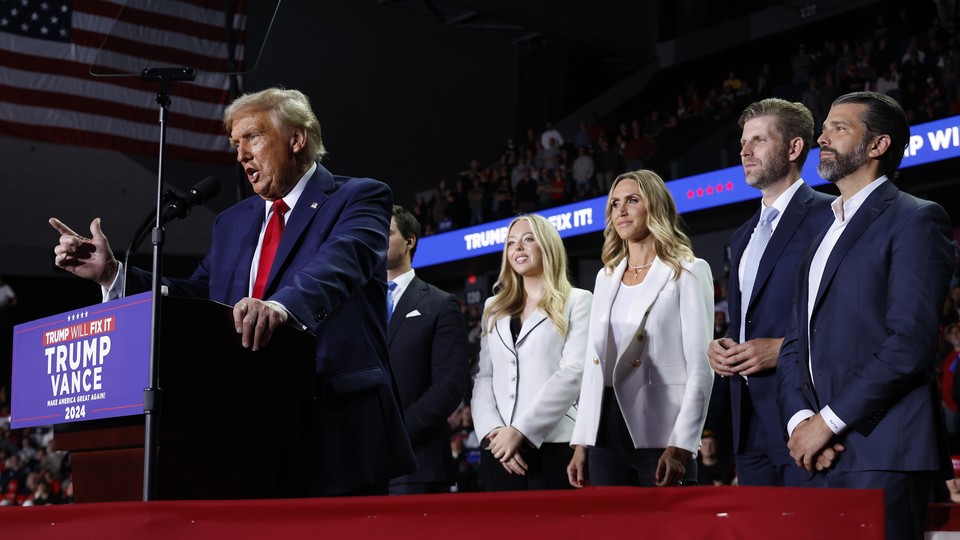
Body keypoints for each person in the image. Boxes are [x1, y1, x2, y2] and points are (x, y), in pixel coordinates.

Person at [49, 87, 416, 497]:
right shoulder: (232, 222)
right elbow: (198, 293)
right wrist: (115, 273)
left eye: (253, 137)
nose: (240, 155)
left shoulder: (359, 197)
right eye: (235, 144)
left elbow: (340, 264)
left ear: (296, 139)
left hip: (336, 428)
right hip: (245, 432)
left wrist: (279, 307)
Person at [777, 91, 954, 540]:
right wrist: (801, 423)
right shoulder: (823, 232)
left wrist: (827, 422)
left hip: (883, 453)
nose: (822, 136)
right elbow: (796, 342)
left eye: (839, 127)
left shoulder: (916, 219)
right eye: (825, 127)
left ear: (878, 145)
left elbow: (909, 346)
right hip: (816, 453)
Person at [707, 98, 834, 487]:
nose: (745, 151)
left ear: (794, 148)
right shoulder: (743, 235)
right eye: (744, 142)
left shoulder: (831, 215)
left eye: (759, 140)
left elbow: (846, 316)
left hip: (804, 415)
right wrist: (722, 347)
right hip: (747, 424)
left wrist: (782, 348)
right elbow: (746, 321)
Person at [567, 170, 714, 488]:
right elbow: (594, 369)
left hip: (661, 435)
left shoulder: (688, 271)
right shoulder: (605, 278)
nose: (620, 210)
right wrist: (582, 442)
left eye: (632, 200)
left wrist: (682, 444)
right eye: (615, 203)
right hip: (604, 436)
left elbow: (701, 368)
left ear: (655, 207)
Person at [471, 214, 591, 490]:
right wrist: (492, 432)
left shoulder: (578, 301)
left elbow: (573, 373)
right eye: (511, 243)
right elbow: (484, 376)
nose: (518, 248)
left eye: (528, 240)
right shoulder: (493, 306)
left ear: (547, 246)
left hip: (553, 445)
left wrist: (521, 430)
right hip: (499, 450)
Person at [385, 205, 470, 494]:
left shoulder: (439, 304)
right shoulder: (356, 304)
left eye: (386, 232)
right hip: (361, 467)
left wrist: (397, 433)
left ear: (410, 241)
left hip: (417, 464)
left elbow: (449, 385)